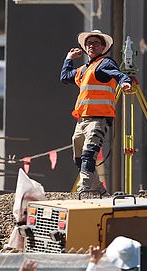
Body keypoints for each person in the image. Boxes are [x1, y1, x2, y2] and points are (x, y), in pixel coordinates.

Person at [60, 29, 133, 194]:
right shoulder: (84, 70)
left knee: (89, 153)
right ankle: (99, 189)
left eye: (95, 43)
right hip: (83, 120)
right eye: (88, 43)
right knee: (79, 157)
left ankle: (84, 188)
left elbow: (118, 74)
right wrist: (69, 59)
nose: (91, 45)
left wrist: (125, 82)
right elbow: (64, 77)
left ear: (103, 47)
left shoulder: (105, 63)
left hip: (99, 119)